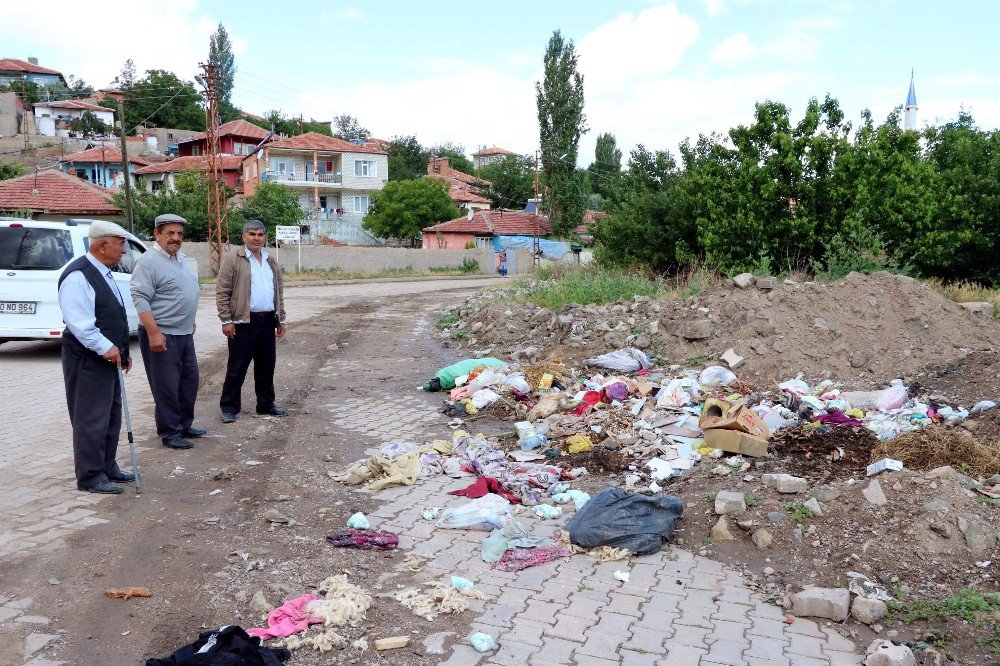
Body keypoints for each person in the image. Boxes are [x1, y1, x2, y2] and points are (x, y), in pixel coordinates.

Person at [58, 220, 136, 494]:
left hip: (106, 358)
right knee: (90, 418)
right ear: (102, 245)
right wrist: (107, 347)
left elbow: (111, 314)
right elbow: (80, 324)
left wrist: (122, 351)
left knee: (111, 414)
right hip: (87, 359)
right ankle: (91, 476)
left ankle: (107, 465)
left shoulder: (104, 271)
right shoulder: (79, 276)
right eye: (121, 244)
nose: (124, 251)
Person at [130, 213, 204, 450]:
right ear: (157, 234)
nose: (176, 238)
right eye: (170, 233)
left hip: (183, 333)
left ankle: (183, 425)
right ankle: (170, 432)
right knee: (167, 387)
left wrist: (188, 320)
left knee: (188, 382)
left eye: (180, 234)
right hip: (162, 334)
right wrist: (153, 333)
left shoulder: (178, 258)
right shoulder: (149, 261)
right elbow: (140, 297)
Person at [216, 220, 288, 423]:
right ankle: (229, 407)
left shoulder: (270, 260)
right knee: (237, 366)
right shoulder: (233, 259)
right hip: (242, 322)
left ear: (264, 237)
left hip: (267, 321)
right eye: (252, 234)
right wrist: (226, 320)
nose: (256, 238)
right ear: (244, 237)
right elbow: (222, 291)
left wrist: (280, 318)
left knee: (266, 366)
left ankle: (265, 405)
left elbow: (278, 291)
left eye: (260, 234)